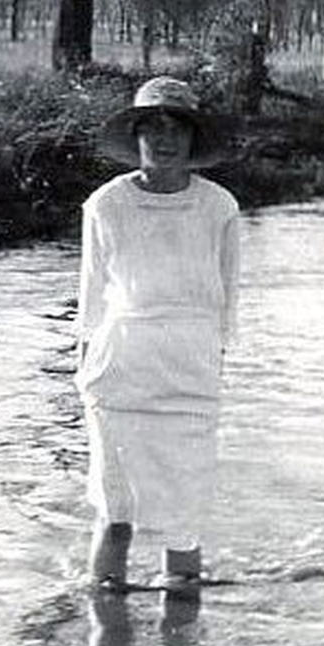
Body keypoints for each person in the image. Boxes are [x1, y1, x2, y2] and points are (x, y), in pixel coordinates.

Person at [76, 76, 240, 591]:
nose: (165, 139)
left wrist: (212, 374)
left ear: (193, 139)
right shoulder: (105, 205)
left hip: (189, 380)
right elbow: (90, 304)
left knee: (183, 526)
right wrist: (84, 379)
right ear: (137, 136)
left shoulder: (220, 208)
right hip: (119, 376)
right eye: (153, 127)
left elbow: (226, 307)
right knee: (117, 515)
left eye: (177, 128)